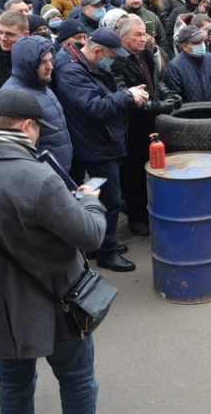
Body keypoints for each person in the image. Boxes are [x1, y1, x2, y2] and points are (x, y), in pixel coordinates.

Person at [0, 89, 106, 414]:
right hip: (58, 304)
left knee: (14, 386)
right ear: (28, 126)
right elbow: (90, 236)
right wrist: (89, 201)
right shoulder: (37, 178)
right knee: (77, 379)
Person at [53, 29, 147, 272]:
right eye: (111, 57)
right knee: (110, 199)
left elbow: (110, 91)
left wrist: (125, 93)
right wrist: (127, 95)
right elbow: (95, 107)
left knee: (99, 194)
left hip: (101, 141)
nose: (112, 62)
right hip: (97, 145)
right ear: (97, 51)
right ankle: (107, 251)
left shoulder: (92, 64)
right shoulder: (71, 70)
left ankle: (99, 242)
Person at [111, 16, 181, 238]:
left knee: (155, 167)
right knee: (134, 174)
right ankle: (136, 216)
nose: (144, 39)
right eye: (137, 35)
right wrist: (157, 106)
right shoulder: (116, 61)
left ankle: (152, 208)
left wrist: (168, 94)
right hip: (130, 127)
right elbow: (125, 99)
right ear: (122, 37)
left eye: (144, 34)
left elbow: (155, 81)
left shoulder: (147, 54)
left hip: (152, 122)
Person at [0, 36, 73, 174]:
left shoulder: (41, 86)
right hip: (42, 177)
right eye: (42, 62)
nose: (50, 66)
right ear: (27, 64)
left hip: (55, 173)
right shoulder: (16, 98)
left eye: (51, 60)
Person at [165, 26, 211, 104]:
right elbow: (176, 97)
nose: (201, 44)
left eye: (201, 41)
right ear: (184, 46)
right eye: (196, 42)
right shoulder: (175, 67)